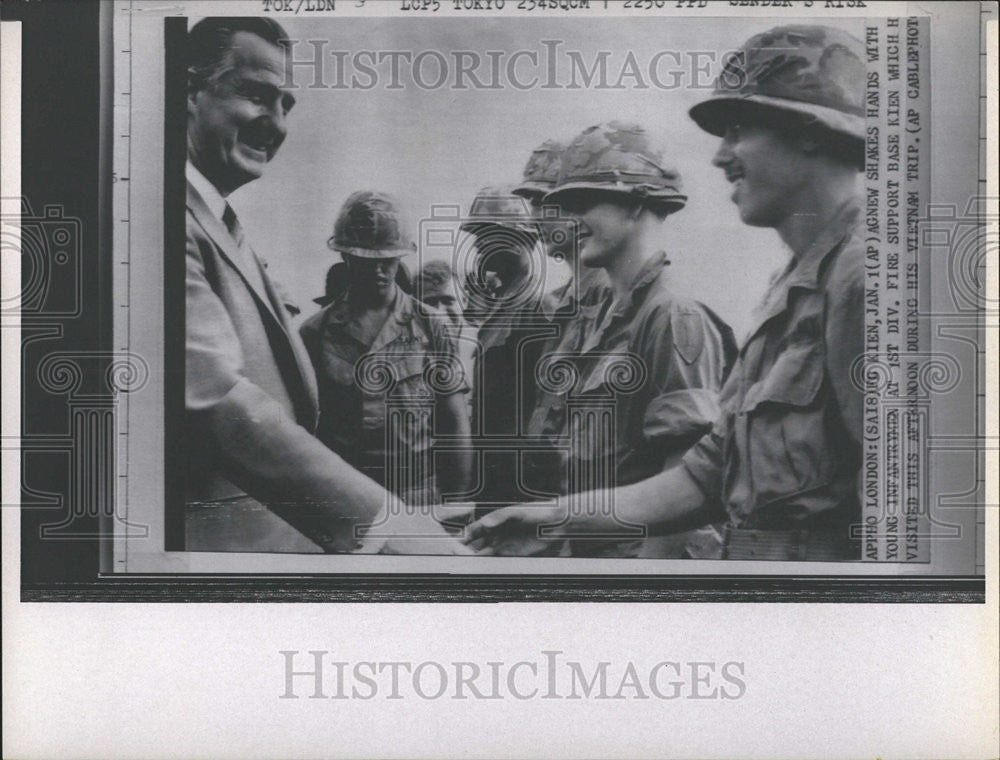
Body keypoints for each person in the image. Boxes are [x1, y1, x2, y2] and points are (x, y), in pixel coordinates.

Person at [467, 25, 867, 561]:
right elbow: (707, 475)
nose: (719, 157)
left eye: (738, 129)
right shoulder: (792, 289)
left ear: (809, 129)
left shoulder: (867, 282)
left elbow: (913, 528)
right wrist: (553, 519)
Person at [183, 18, 466, 554]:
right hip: (263, 541)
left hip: (374, 516)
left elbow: (453, 426)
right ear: (190, 92)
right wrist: (387, 527)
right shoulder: (172, 220)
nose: (277, 122)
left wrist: (450, 511)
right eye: (255, 95)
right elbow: (218, 400)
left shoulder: (219, 225)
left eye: (287, 104)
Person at [522, 122, 736, 558]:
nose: (572, 219)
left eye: (585, 202)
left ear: (635, 203)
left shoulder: (672, 316)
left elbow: (684, 489)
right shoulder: (601, 319)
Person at [299, 192, 472, 509]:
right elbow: (306, 430)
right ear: (346, 258)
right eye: (367, 262)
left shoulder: (432, 326)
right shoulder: (315, 332)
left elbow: (455, 423)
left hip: (419, 493)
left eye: (387, 261)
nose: (378, 271)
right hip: (348, 496)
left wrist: (455, 506)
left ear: (400, 258)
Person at [460, 186, 551, 510]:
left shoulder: (540, 309)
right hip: (493, 480)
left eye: (491, 234)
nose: (480, 244)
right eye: (479, 235)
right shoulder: (503, 308)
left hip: (522, 486)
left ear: (526, 240)